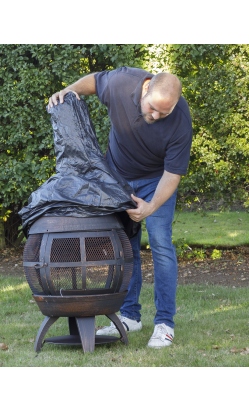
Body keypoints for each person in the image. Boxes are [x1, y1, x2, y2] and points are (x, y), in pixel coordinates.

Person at [48, 67, 192, 349]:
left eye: (164, 113)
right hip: (118, 177)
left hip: (155, 181)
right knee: (126, 246)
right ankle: (130, 316)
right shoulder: (121, 82)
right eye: (152, 109)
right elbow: (93, 82)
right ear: (146, 89)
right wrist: (69, 90)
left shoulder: (181, 121)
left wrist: (150, 206)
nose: (155, 116)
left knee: (161, 245)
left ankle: (164, 324)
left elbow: (172, 175)